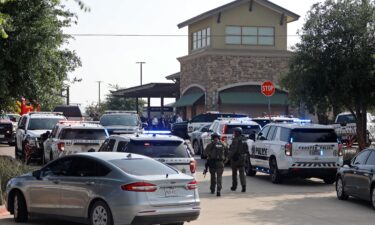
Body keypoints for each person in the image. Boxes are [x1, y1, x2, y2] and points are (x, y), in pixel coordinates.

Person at [204, 132, 228, 197]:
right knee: (219, 177)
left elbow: (205, 153)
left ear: (212, 137)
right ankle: (218, 190)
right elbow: (227, 152)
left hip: (212, 163)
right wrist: (224, 160)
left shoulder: (210, 144)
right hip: (220, 163)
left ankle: (212, 189)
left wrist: (210, 154)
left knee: (213, 176)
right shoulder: (223, 144)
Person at [228, 127, 248, 192]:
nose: (234, 133)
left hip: (236, 158)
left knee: (234, 173)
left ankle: (234, 186)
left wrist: (228, 158)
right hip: (243, 158)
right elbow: (246, 149)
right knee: (242, 173)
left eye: (235, 132)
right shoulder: (244, 139)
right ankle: (244, 186)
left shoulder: (235, 140)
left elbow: (233, 150)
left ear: (237, 133)